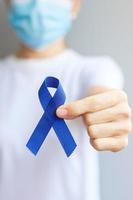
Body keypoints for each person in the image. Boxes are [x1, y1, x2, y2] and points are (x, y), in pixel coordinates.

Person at [0, 0, 132, 200]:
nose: (38, 5)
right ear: (8, 4)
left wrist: (108, 113)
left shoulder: (95, 69)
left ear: (75, 5)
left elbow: (102, 94)